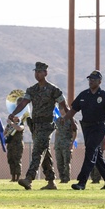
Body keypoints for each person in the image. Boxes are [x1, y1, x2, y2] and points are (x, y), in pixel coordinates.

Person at [11, 62, 68, 190]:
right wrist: (13, 113)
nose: (37, 74)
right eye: (36, 71)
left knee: (37, 151)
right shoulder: (32, 90)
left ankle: (29, 178)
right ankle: (51, 181)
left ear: (45, 73)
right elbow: (24, 103)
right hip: (35, 125)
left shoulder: (54, 90)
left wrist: (69, 119)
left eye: (40, 71)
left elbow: (64, 105)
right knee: (44, 151)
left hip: (47, 125)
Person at [66, 70, 105, 190]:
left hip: (98, 128)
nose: (91, 81)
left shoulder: (104, 97)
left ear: (100, 81)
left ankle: (82, 182)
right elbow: (73, 110)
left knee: (90, 151)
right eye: (90, 79)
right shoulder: (83, 95)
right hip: (86, 128)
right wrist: (64, 119)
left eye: (94, 79)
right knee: (96, 155)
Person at [54, 113, 77, 184]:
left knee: (66, 162)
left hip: (67, 144)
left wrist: (72, 143)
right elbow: (57, 132)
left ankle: (66, 178)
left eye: (62, 109)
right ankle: (62, 178)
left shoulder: (71, 120)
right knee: (59, 162)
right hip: (58, 144)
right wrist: (55, 143)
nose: (61, 111)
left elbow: (74, 132)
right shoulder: (58, 120)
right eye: (60, 109)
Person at [5, 114, 26, 182]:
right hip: (10, 145)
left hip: (18, 145)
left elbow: (19, 128)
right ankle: (13, 176)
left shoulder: (21, 124)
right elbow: (5, 133)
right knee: (11, 160)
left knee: (17, 160)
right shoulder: (9, 125)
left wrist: (11, 123)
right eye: (13, 117)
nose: (14, 118)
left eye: (16, 117)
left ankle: (18, 176)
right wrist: (8, 127)